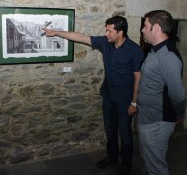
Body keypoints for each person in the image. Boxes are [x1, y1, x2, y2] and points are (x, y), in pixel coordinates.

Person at [42, 16, 144, 175]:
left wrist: (134, 103)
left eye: (110, 31)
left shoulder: (134, 50)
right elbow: (80, 37)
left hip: (125, 100)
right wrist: (55, 32)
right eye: (106, 30)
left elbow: (138, 77)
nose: (107, 33)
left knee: (125, 134)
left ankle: (127, 163)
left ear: (120, 32)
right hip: (108, 96)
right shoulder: (105, 43)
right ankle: (112, 157)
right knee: (110, 131)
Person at [137, 10, 187, 175]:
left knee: (156, 168)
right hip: (147, 119)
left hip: (157, 122)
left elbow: (178, 95)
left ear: (156, 28)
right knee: (148, 162)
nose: (142, 30)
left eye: (145, 26)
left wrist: (179, 114)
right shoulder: (155, 50)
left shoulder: (168, 56)